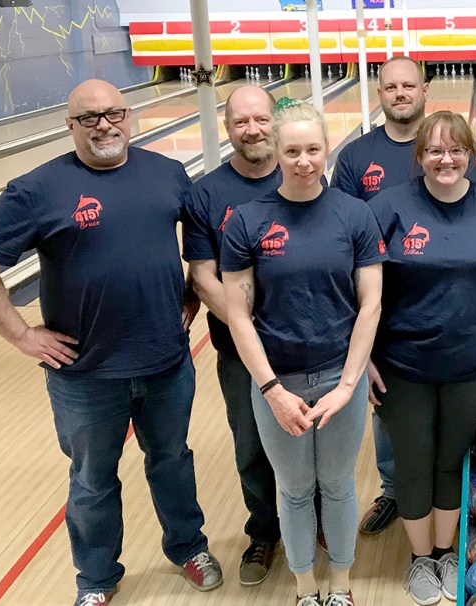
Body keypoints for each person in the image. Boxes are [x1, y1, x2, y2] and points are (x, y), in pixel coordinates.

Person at [0, 79, 221, 606]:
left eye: (114, 113)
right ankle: (96, 578)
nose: (105, 125)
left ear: (129, 115)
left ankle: (188, 547)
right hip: (84, 374)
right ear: (70, 125)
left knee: (172, 459)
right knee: (93, 480)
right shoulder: (37, 189)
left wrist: (194, 289)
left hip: (166, 361)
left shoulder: (167, 172)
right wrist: (21, 334)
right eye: (90, 117)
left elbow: (201, 241)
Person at [220, 100, 386, 606]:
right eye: (292, 151)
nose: (303, 161)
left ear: (327, 148)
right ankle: (304, 588)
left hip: (338, 377)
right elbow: (238, 315)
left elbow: (371, 304)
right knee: (293, 490)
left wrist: (348, 385)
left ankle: (340, 585)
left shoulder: (354, 214)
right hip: (278, 381)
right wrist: (271, 390)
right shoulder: (247, 221)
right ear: (276, 151)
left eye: (313, 149)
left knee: (337, 485)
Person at [368, 111, 476, 606]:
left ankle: (444, 551)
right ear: (420, 156)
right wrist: (364, 359)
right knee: (413, 462)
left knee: (450, 459)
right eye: (435, 150)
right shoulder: (387, 207)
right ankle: (420, 559)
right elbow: (361, 289)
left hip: (471, 365)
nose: (446, 159)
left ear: (469, 155)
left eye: (456, 149)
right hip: (401, 366)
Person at [331, 55, 476, 535]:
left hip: (451, 322)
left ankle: (439, 499)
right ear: (380, 93)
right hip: (387, 321)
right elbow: (344, 238)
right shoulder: (355, 157)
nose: (400, 94)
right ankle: (395, 490)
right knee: (393, 419)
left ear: (425, 91)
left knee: (441, 431)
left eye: (409, 85)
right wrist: (360, 350)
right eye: (391, 87)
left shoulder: (457, 152)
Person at [183, 85, 283, 585]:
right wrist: (253, 334)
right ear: (227, 128)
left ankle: (313, 522)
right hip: (238, 351)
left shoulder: (302, 172)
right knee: (251, 447)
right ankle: (264, 531)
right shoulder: (206, 193)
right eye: (241, 121)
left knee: (313, 441)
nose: (252, 129)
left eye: (260, 119)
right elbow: (203, 278)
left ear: (275, 121)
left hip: (307, 345)